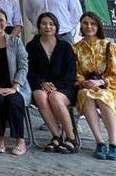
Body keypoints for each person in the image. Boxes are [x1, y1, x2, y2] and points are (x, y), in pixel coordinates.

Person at [73, 12, 116, 161]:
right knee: (85, 94)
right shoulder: (76, 48)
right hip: (87, 87)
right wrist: (84, 82)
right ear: (81, 25)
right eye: (85, 23)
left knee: (102, 96)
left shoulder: (109, 46)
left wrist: (101, 82)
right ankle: (100, 142)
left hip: (110, 88)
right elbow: (75, 74)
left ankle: (114, 144)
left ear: (98, 26)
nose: (89, 26)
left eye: (93, 23)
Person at [27, 12, 78, 154]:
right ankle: (56, 136)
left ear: (56, 27)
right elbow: (30, 71)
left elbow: (71, 73)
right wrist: (42, 83)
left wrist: (55, 86)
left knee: (54, 97)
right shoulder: (32, 46)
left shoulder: (65, 46)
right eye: (44, 23)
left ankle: (71, 138)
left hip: (65, 87)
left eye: (51, 24)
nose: (47, 27)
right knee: (40, 96)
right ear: (39, 26)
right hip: (41, 85)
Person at [0, 8, 30, 155]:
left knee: (14, 101)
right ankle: (0, 138)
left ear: (7, 22)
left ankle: (20, 140)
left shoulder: (15, 41)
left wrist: (15, 86)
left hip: (15, 86)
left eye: (1, 20)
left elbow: (23, 65)